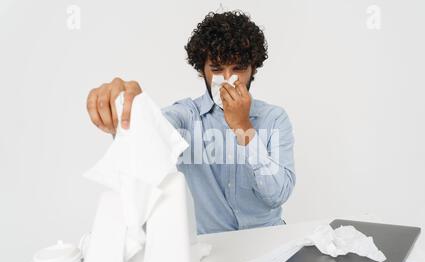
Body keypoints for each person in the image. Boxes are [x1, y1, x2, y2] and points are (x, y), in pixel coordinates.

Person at [86, 11, 295, 236]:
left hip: (268, 237)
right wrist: (133, 109)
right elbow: (150, 136)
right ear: (202, 71)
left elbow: (277, 195)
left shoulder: (274, 118)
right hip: (213, 245)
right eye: (216, 69)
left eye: (238, 69)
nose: (226, 79)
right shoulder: (186, 116)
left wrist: (243, 127)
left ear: (253, 69)